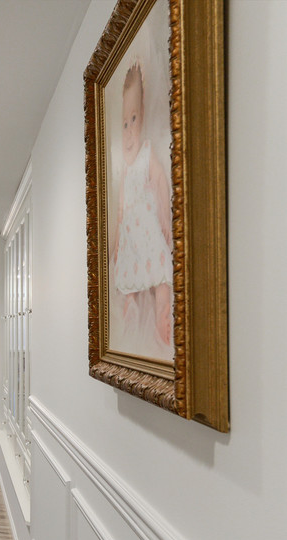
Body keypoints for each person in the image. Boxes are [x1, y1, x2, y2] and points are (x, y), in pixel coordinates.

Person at [111, 60, 173, 356]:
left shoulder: (148, 154)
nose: (128, 130)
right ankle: (131, 308)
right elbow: (121, 209)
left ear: (144, 119)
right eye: (124, 123)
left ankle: (163, 310)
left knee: (161, 273)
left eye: (134, 120)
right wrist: (115, 243)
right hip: (131, 239)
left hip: (147, 230)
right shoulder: (124, 169)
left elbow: (160, 182)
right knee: (129, 282)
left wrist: (163, 212)